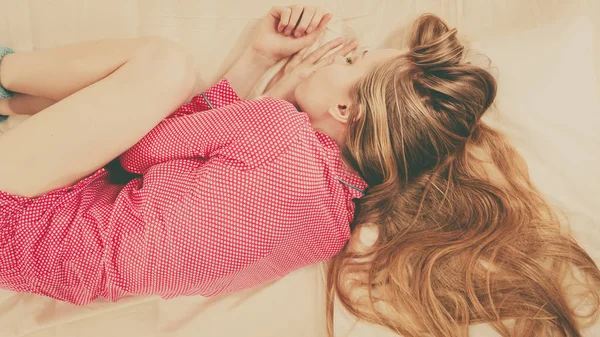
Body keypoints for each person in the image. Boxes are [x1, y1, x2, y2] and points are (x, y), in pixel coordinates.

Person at [0, 4, 598, 337]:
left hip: (21, 210)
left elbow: (136, 151)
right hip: (46, 266)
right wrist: (264, 90)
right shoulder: (329, 231)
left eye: (354, 59)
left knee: (164, 64)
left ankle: (7, 69)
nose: (340, 51)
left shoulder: (279, 132)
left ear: (345, 109)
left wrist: (268, 84)